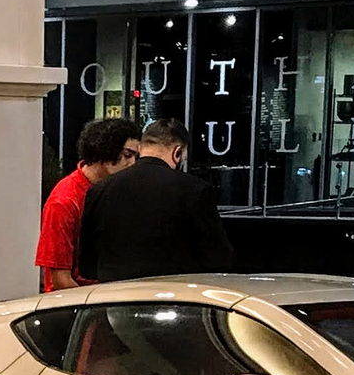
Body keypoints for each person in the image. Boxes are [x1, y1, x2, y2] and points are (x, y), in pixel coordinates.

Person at [76, 118, 235, 283]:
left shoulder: (99, 190)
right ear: (177, 152)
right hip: (176, 298)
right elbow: (219, 259)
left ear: (140, 148)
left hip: (116, 300)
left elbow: (87, 267)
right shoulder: (196, 190)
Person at [35, 115, 139, 292]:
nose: (132, 164)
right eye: (127, 155)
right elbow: (60, 280)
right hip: (78, 307)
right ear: (104, 151)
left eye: (136, 156)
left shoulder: (118, 190)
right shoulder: (64, 201)